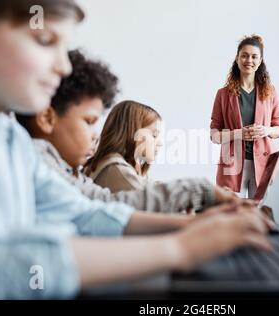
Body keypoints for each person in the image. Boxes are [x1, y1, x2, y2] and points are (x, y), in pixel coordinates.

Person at [0, 0, 272, 299]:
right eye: (44, 40)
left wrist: (194, 225)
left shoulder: (12, 139)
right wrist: (179, 249)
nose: (63, 65)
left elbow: (85, 214)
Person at [16, 49, 241, 213]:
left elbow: (104, 207)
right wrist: (200, 193)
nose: (96, 133)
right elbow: (122, 209)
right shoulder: (41, 163)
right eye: (89, 121)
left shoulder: (65, 171)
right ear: (46, 118)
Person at [210, 34, 279, 199]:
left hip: (264, 164)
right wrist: (239, 133)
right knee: (232, 216)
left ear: (260, 61)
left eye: (254, 56)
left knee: (261, 218)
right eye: (244, 55)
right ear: (237, 59)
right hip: (232, 166)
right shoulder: (223, 94)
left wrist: (265, 130)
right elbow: (214, 135)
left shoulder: (270, 92)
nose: (248, 60)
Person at [83, 100, 163, 194]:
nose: (159, 143)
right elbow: (155, 199)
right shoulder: (115, 169)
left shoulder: (127, 169)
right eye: (154, 135)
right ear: (132, 132)